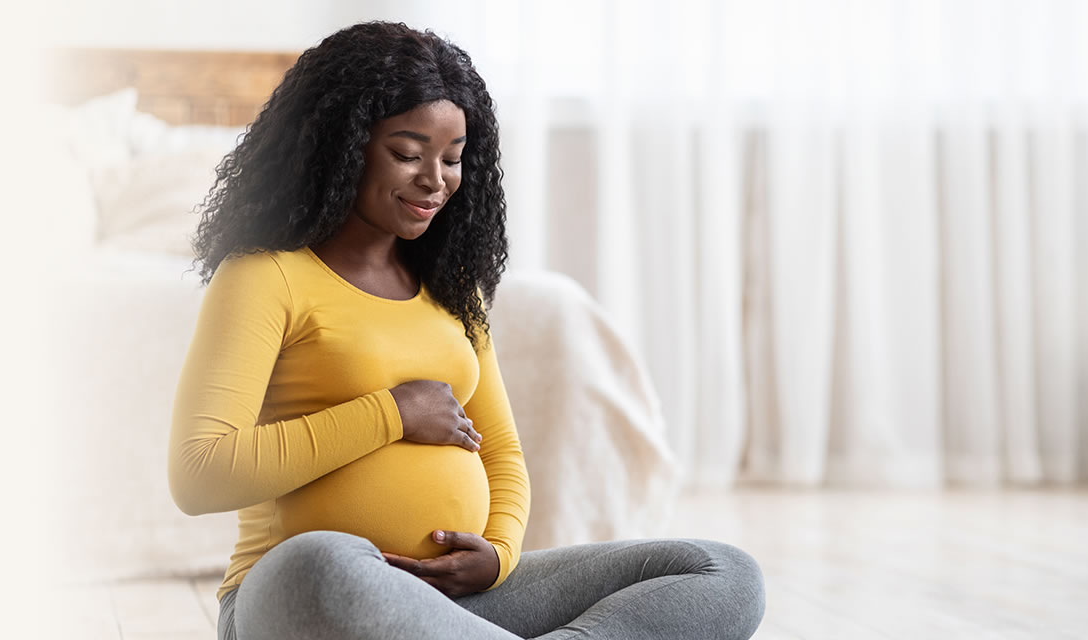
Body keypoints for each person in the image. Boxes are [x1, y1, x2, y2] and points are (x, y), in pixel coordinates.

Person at [168, 21, 766, 640]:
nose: (436, 180)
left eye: (452, 159)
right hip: (309, 596)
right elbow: (200, 470)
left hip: (459, 608)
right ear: (340, 144)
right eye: (407, 153)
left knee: (721, 571)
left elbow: (502, 452)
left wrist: (500, 553)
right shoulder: (266, 277)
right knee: (319, 564)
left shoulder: (451, 289)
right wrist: (392, 413)